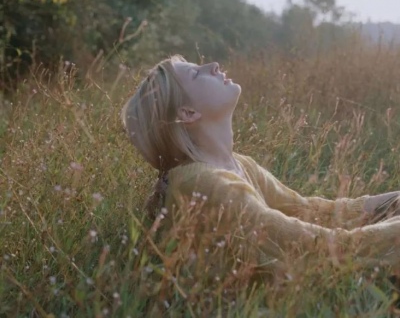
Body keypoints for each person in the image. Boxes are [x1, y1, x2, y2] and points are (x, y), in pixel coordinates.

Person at [121, 55, 400, 271]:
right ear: (188, 112)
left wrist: (390, 202)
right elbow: (307, 246)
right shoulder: (200, 182)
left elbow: (305, 210)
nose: (213, 66)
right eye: (196, 73)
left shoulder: (239, 165)